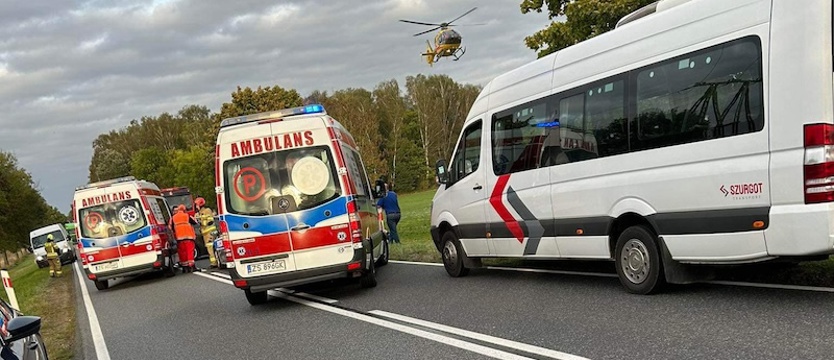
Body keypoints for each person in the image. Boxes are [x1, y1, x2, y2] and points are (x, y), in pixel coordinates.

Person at [169, 204, 198, 273]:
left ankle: (185, 267)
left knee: (182, 253)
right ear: (184, 210)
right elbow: (195, 222)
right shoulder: (187, 215)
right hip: (188, 237)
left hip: (179, 238)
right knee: (189, 251)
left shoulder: (173, 218)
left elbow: (170, 227)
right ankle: (192, 266)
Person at [194, 197, 218, 268]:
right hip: (205, 234)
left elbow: (210, 221)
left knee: (211, 247)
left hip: (210, 232)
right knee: (209, 248)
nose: (196, 207)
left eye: (196, 205)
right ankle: (214, 262)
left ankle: (214, 263)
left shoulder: (207, 210)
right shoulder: (199, 213)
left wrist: (201, 221)